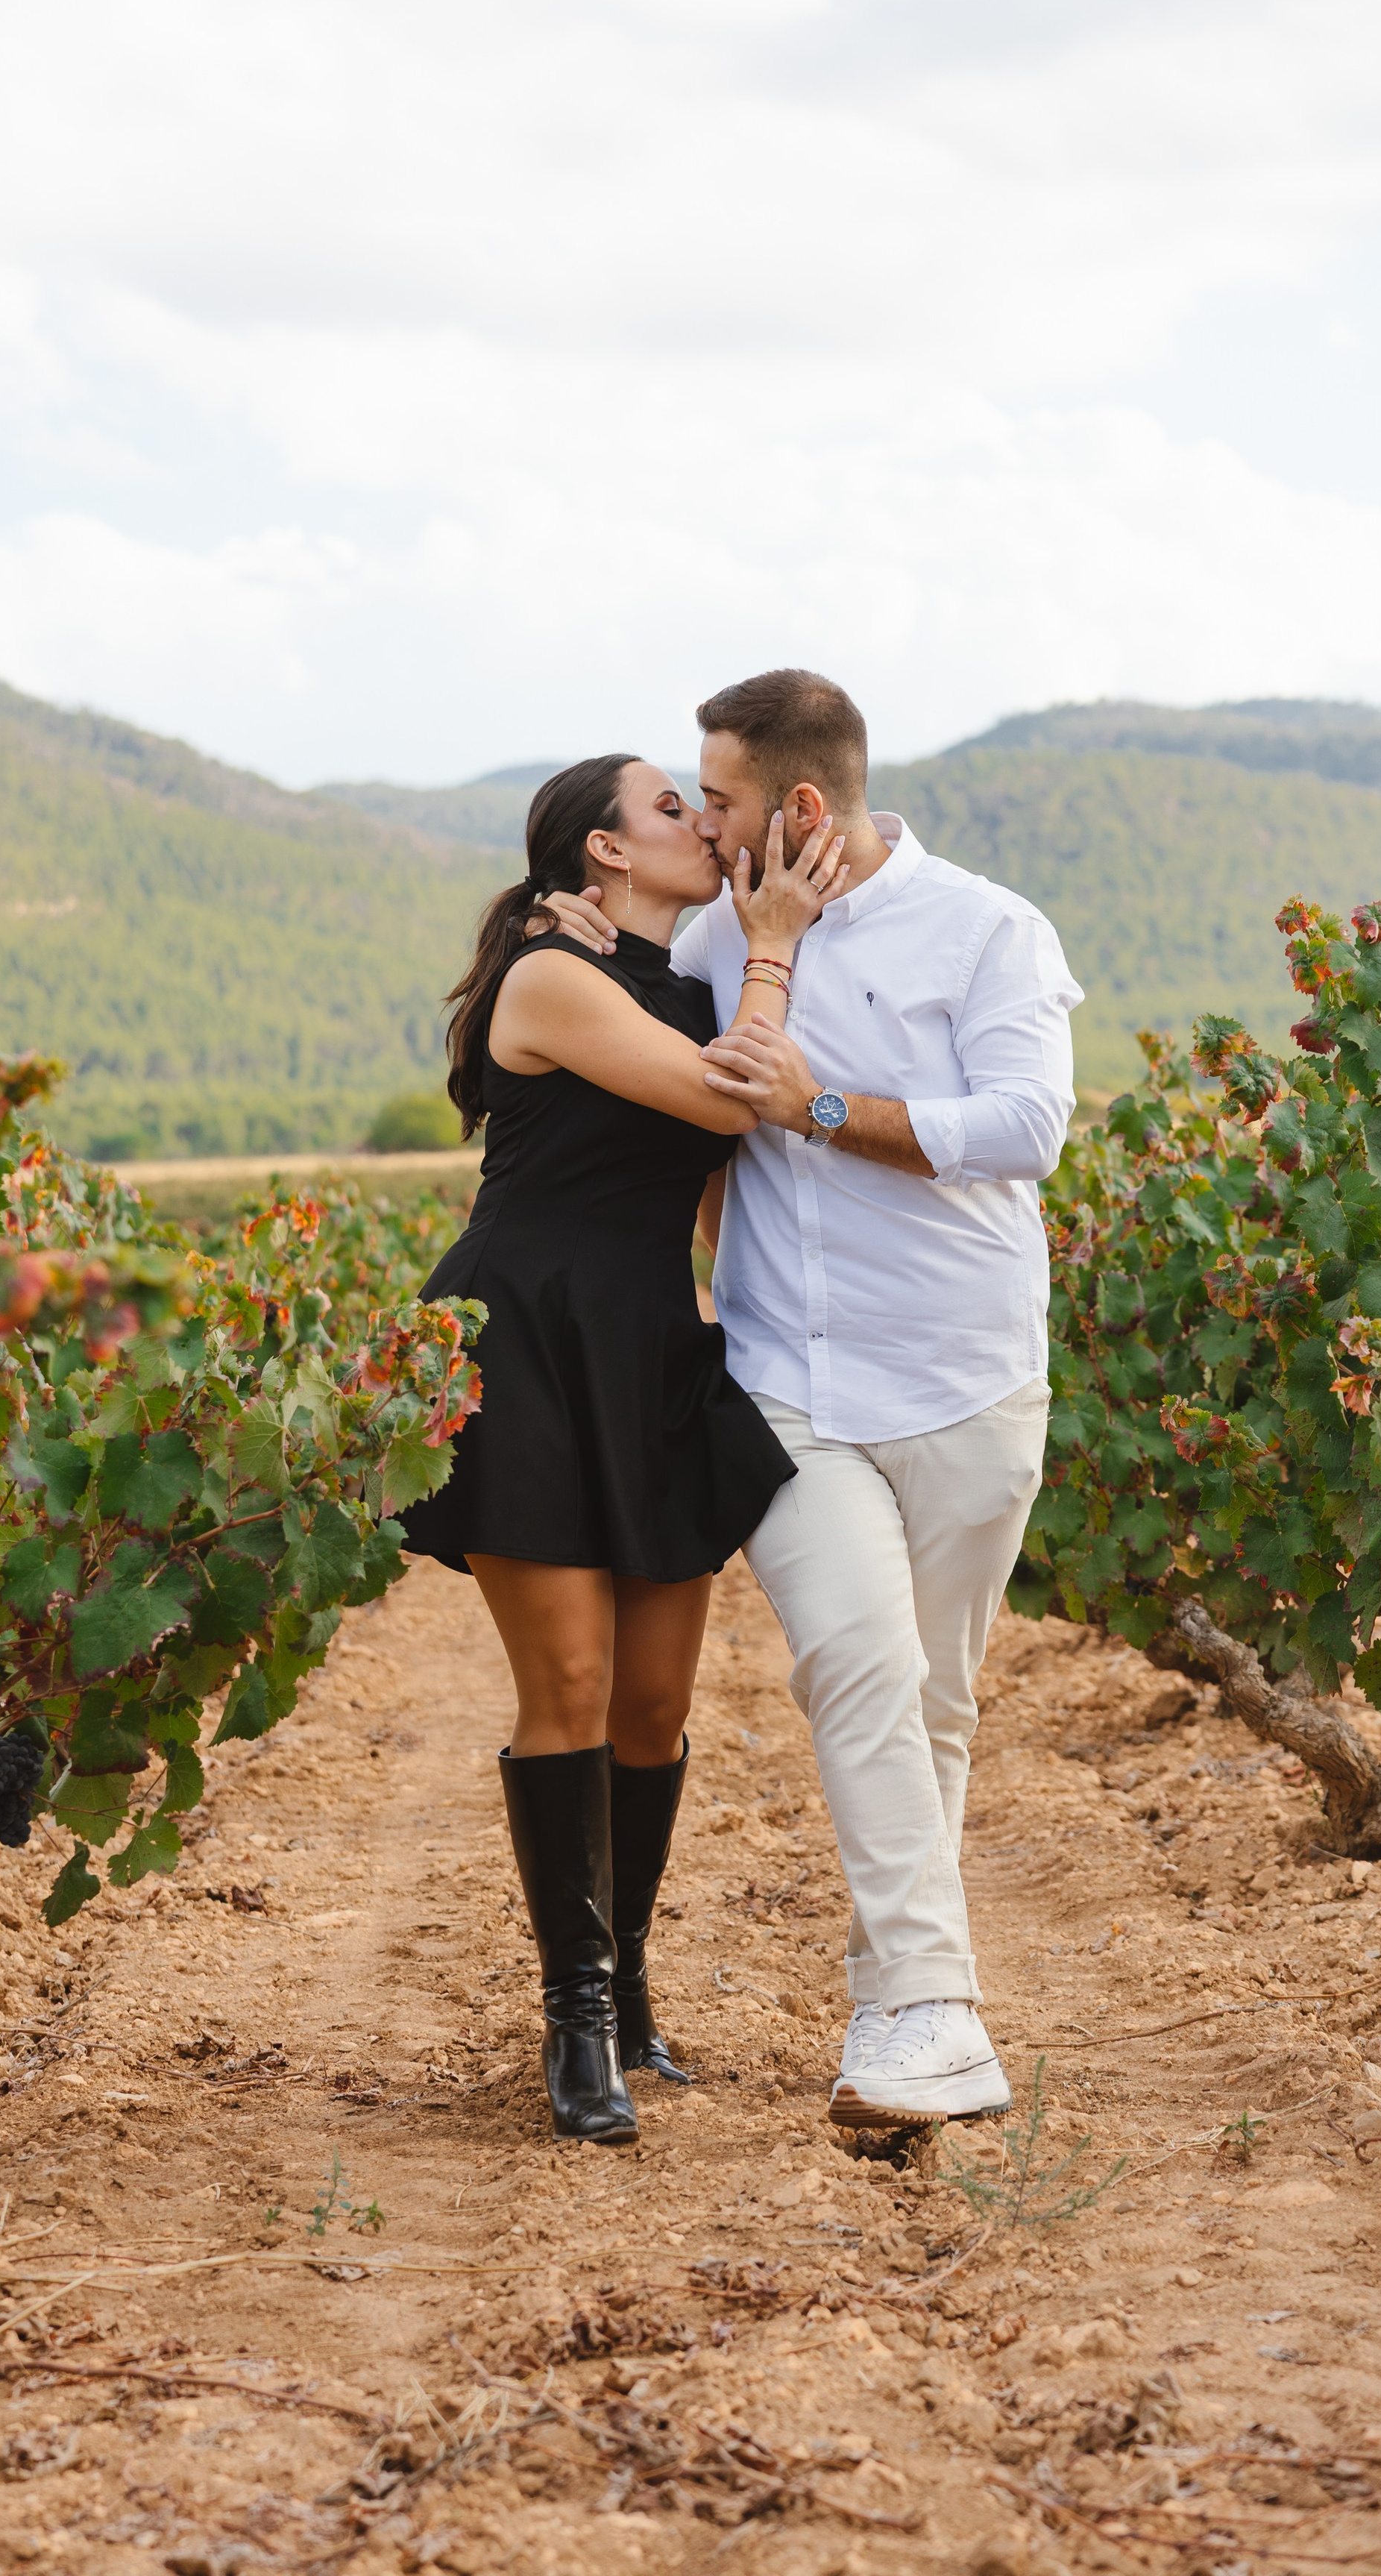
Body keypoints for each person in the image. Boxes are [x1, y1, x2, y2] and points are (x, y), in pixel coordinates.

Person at [542, 670, 1082, 2131]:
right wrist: (566, 930)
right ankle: (927, 2015)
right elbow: (607, 1013)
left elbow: (1025, 1126)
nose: (698, 823)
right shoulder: (711, 935)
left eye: (711, 800)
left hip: (967, 1375)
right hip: (783, 1380)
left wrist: (818, 1105)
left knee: (934, 1702)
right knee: (854, 1668)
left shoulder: (985, 928)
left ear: (792, 806)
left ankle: (891, 1988)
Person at [399, 753, 849, 2144]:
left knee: (656, 1705)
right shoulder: (549, 976)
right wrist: (775, 947)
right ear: (603, 851)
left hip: (652, 1345)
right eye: (673, 808)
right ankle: (576, 2022)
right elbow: (729, 1105)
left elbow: (724, 1181)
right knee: (576, 1684)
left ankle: (634, 1991)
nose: (702, 825)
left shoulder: (685, 983)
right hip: (525, 1340)